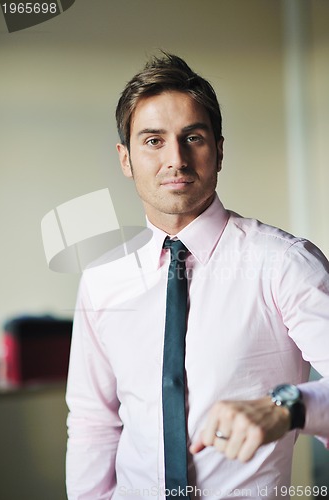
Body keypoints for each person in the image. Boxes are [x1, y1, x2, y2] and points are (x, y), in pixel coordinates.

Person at [65, 53, 329, 500]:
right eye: (153, 141)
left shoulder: (284, 263)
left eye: (193, 137)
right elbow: (94, 423)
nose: (177, 159)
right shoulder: (101, 280)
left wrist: (290, 406)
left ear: (219, 149)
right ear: (125, 158)